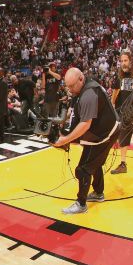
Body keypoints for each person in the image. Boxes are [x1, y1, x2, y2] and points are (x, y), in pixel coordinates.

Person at [54, 68, 120, 215]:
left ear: (81, 79)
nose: (70, 90)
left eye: (72, 86)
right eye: (67, 86)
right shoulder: (85, 87)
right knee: (94, 163)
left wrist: (65, 139)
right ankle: (98, 193)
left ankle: (81, 204)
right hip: (103, 131)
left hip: (105, 134)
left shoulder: (88, 94)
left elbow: (85, 124)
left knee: (83, 169)